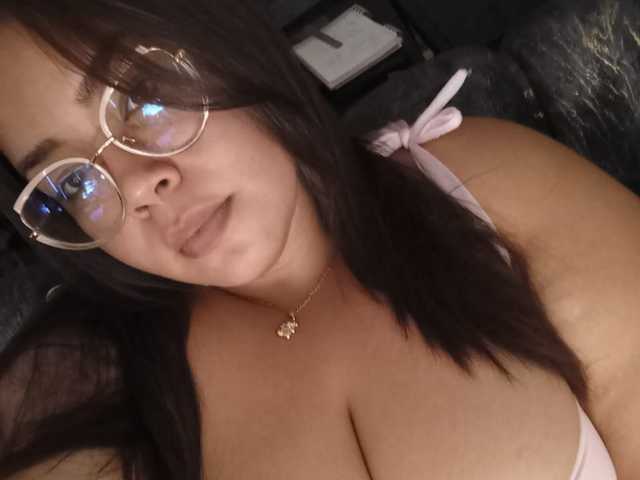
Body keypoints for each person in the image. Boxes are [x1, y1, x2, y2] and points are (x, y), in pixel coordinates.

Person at [0, 1, 636, 479]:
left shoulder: (491, 186)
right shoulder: (78, 385)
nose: (136, 187)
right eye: (72, 181)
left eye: (141, 101)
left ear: (223, 45)